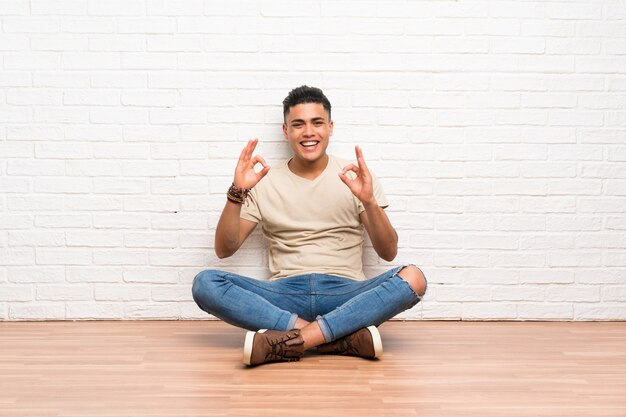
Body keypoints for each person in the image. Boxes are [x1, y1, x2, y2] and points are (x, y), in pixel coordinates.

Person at [192, 85, 427, 366]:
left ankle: (295, 340)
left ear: (330, 127)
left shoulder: (356, 177)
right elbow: (224, 249)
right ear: (285, 130)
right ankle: (337, 338)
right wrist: (236, 194)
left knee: (414, 277)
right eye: (298, 124)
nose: (308, 132)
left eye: (317, 123)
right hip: (284, 294)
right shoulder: (263, 181)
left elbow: (388, 252)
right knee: (205, 283)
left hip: (346, 293)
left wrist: (370, 202)